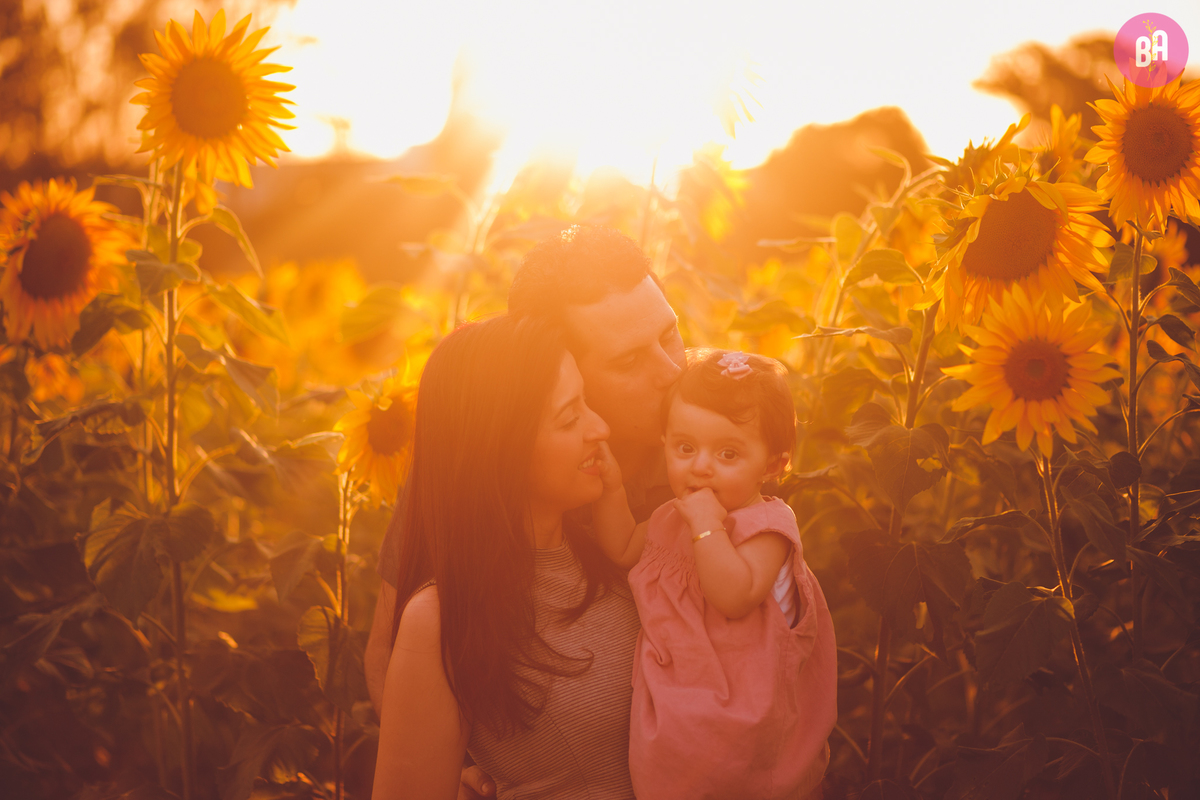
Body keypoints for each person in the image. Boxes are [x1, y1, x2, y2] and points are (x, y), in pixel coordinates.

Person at [366, 225, 685, 797]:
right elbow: (398, 656)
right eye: (630, 359)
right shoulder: (465, 482)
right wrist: (459, 762)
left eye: (671, 335)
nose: (671, 372)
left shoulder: (711, 439)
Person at [591, 349, 837, 800]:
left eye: (727, 453)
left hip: (746, 712)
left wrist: (706, 526)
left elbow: (735, 594)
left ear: (772, 465)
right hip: (679, 710)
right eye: (685, 448)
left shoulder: (767, 528)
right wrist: (610, 490)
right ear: (665, 441)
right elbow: (623, 545)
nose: (701, 466)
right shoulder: (671, 517)